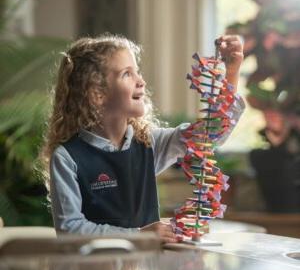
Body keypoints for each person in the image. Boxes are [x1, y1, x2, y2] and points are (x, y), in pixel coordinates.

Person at [40, 34, 244, 243]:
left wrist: (231, 73)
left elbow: (210, 134)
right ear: (97, 94)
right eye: (127, 74)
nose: (141, 81)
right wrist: (139, 236)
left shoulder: (148, 144)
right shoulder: (67, 157)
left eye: (137, 71)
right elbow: (70, 229)